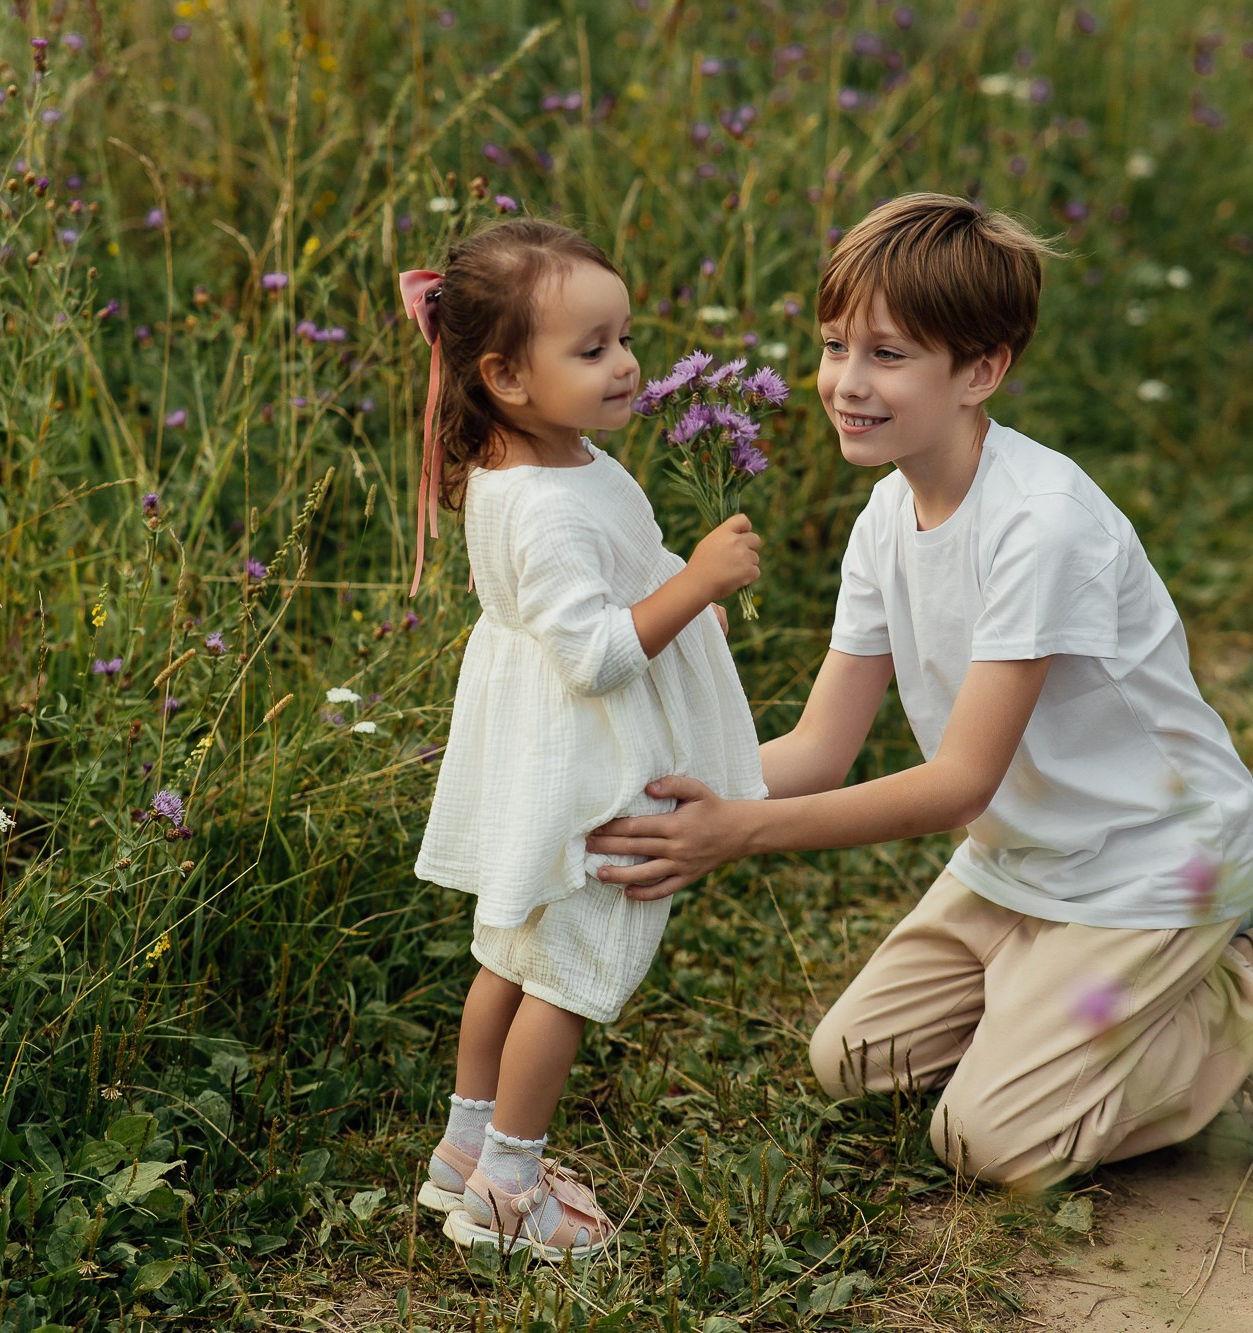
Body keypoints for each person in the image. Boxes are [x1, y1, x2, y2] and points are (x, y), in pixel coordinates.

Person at [584, 193, 1253, 1190]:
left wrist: (735, 832)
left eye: (888, 354)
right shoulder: (885, 515)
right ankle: (1062, 1004)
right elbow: (820, 746)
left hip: (1150, 863)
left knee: (989, 1144)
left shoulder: (1038, 524)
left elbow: (956, 783)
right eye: (834, 346)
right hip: (1024, 860)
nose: (846, 383)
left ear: (981, 370)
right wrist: (644, 788)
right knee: (854, 1063)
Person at [401, 218, 767, 1260]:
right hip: (586, 764)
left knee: (508, 952)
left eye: (623, 337)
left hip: (536, 753)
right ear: (506, 376)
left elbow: (615, 585)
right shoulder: (546, 508)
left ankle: (461, 1152)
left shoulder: (553, 466)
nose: (626, 365)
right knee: (561, 970)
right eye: (592, 347)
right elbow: (594, 654)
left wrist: (673, 599)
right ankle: (510, 1190)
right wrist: (694, 581)